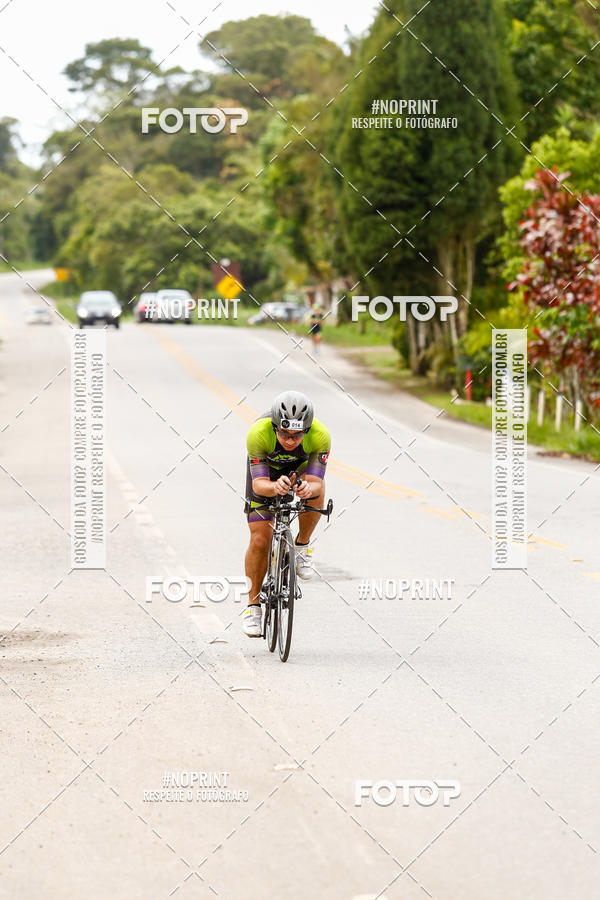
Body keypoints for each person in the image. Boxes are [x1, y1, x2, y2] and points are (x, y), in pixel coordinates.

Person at [241, 390, 331, 637]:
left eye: (297, 435)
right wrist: (274, 487)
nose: (290, 441)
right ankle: (253, 607)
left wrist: (305, 488)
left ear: (308, 430)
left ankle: (302, 546)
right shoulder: (258, 434)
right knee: (260, 538)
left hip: (300, 468)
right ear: (274, 427)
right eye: (284, 433)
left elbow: (316, 482)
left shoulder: (320, 437)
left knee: (316, 494)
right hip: (267, 473)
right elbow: (259, 485)